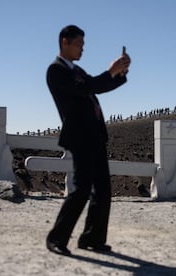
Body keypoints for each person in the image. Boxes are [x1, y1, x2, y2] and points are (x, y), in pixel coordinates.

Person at [45, 25, 130, 255]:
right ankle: (56, 238)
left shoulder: (78, 70)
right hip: (79, 136)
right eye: (79, 44)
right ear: (65, 41)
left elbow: (98, 86)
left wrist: (120, 72)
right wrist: (109, 70)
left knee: (103, 190)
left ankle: (91, 238)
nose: (82, 49)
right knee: (81, 189)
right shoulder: (55, 70)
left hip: (95, 136)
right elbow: (86, 88)